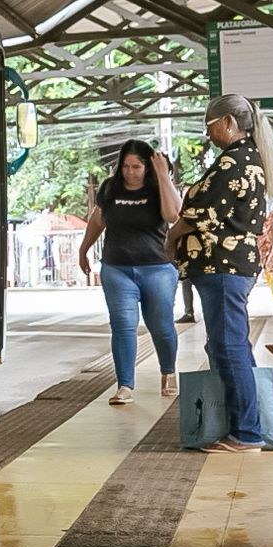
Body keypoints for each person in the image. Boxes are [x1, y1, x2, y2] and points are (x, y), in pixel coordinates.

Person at [169, 94, 273, 453]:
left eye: (210, 125)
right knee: (230, 344)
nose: (208, 133)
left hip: (222, 265)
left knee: (229, 346)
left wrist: (171, 238)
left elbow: (201, 214)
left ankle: (246, 432)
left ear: (229, 123)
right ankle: (249, 425)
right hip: (228, 266)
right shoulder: (247, 158)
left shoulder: (234, 161)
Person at [78, 140, 184, 404]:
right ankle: (125, 385)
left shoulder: (158, 187)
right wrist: (84, 249)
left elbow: (173, 215)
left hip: (157, 269)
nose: (130, 172)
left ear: (147, 166)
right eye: (126, 166)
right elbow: (98, 220)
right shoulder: (110, 188)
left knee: (161, 326)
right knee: (123, 326)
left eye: (136, 166)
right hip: (117, 268)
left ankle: (168, 371)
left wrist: (163, 175)